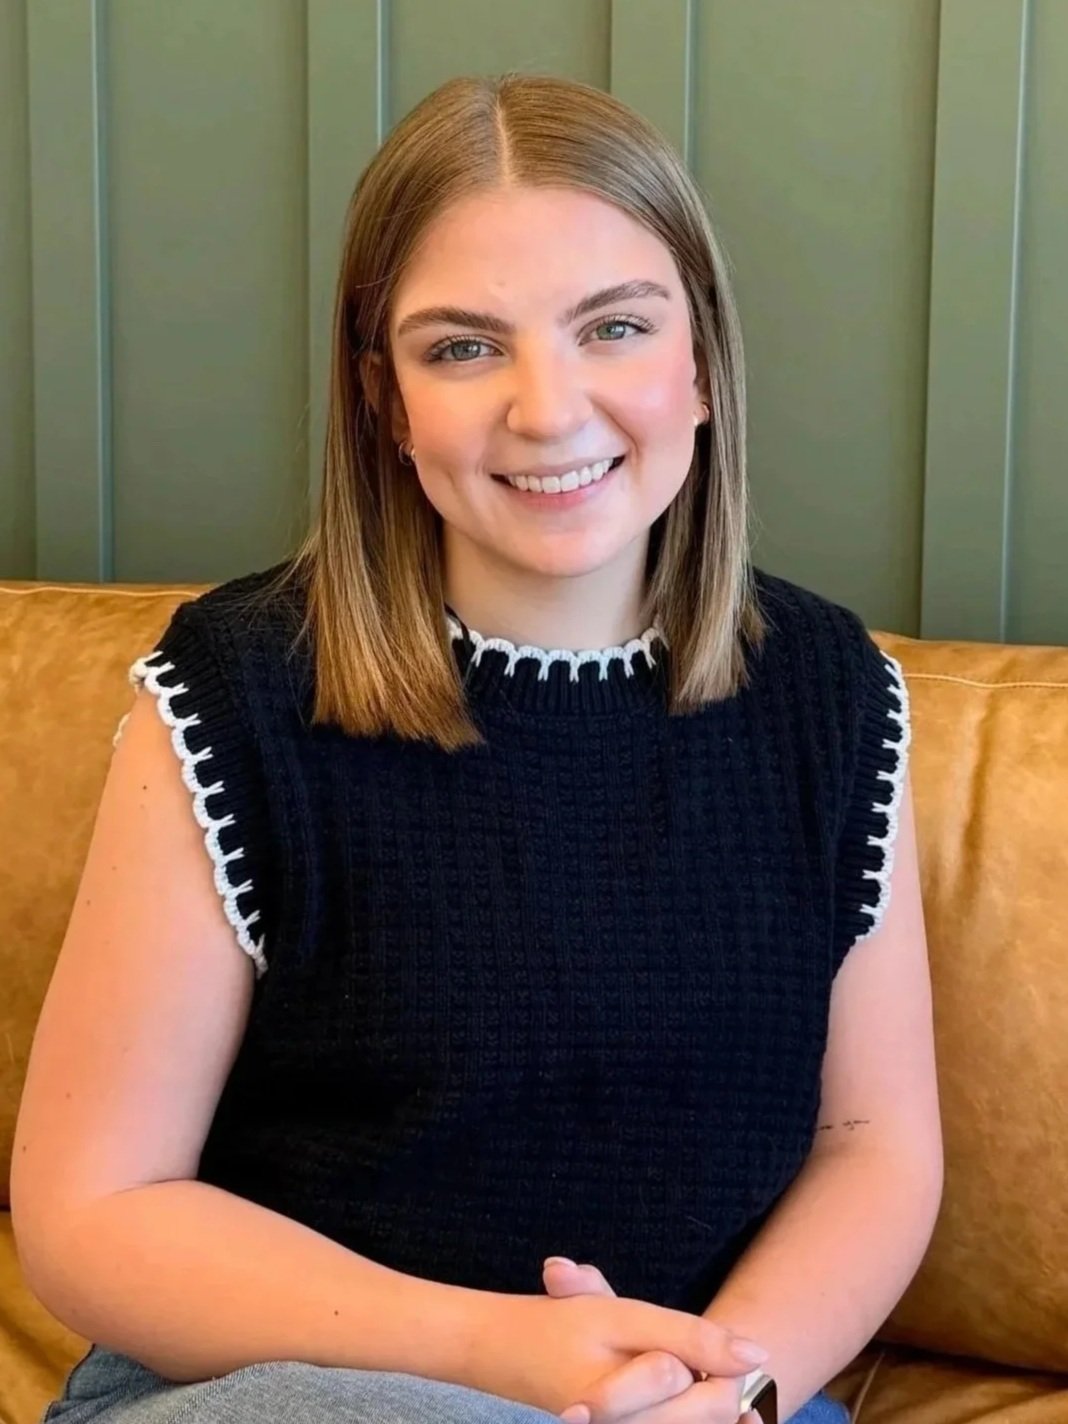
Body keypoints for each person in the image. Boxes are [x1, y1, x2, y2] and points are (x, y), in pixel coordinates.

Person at [12, 72, 943, 1424]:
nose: (548, 409)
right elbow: (94, 1209)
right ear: (383, 397)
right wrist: (506, 1358)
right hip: (281, 1391)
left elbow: (876, 1147)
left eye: (614, 328)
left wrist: (726, 1386)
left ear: (702, 365)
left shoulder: (834, 694)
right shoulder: (237, 688)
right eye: (462, 347)